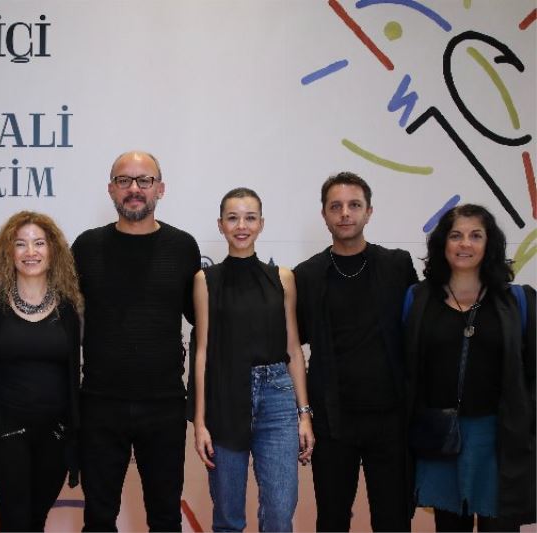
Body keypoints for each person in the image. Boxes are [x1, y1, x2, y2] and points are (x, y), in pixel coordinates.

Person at [71, 150, 201, 531]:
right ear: (111, 189)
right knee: (98, 518)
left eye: (144, 180)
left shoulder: (183, 247)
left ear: (160, 189)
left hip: (164, 405)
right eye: (124, 180)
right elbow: (61, 316)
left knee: (165, 517)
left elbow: (202, 320)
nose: (134, 189)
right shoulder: (86, 247)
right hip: (99, 403)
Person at [294, 171, 417, 531]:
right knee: (332, 520)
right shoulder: (307, 275)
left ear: (369, 212)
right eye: (336, 206)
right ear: (324, 214)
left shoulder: (397, 265)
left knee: (393, 520)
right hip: (332, 421)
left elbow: (418, 330)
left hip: (391, 418)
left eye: (354, 205)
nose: (345, 213)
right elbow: (291, 344)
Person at [404, 204, 535, 532]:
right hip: (441, 438)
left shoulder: (517, 301)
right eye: (456, 235)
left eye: (476, 236)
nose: (465, 244)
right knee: (449, 525)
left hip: (498, 439)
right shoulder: (418, 299)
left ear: (489, 244)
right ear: (443, 244)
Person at [191, 187, 314, 532]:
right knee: (228, 517)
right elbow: (202, 351)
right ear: (220, 225)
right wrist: (199, 422)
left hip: (278, 398)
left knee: (279, 512)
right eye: (233, 218)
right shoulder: (205, 280)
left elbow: (293, 348)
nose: (241, 226)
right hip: (225, 397)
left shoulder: (283, 278)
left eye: (249, 218)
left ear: (261, 223)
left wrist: (304, 414)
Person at [0, 211, 83, 532]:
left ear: (53, 250)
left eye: (39, 243)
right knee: (14, 522)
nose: (30, 252)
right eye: (20, 244)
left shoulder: (73, 303)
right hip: (6, 428)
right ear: (9, 251)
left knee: (36, 520)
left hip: (57, 431)